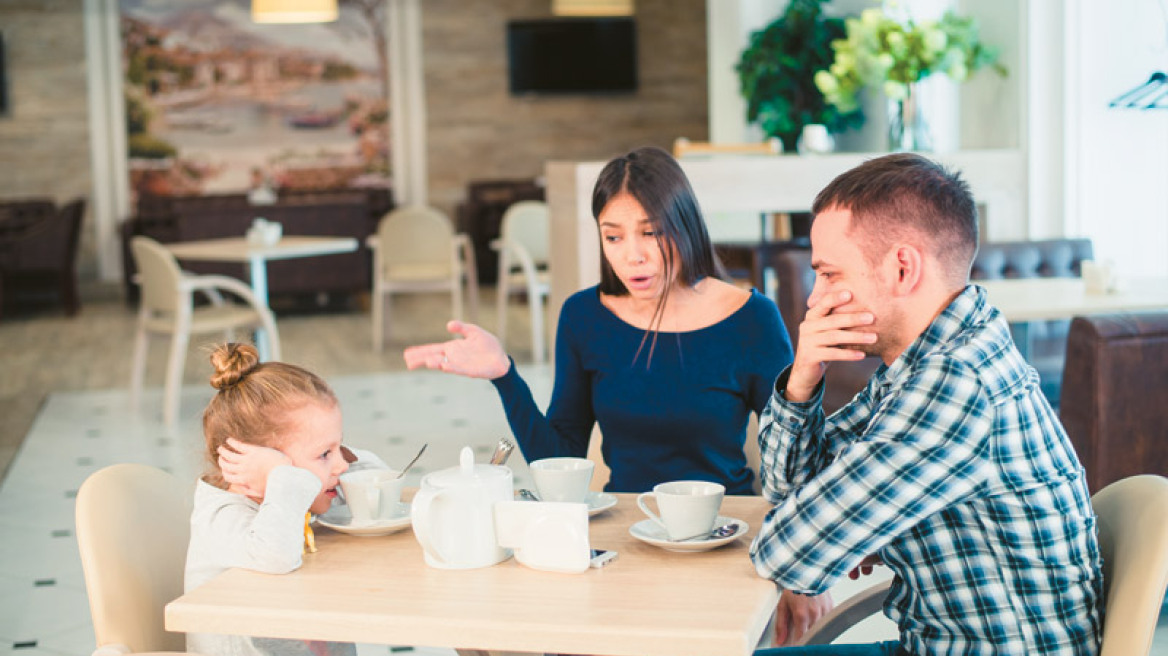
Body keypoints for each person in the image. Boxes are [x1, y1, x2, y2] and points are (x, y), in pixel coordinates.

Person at [405, 146, 826, 645]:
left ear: (685, 225)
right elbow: (561, 457)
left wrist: (806, 569)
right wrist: (504, 375)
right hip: (623, 545)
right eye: (613, 236)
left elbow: (799, 455)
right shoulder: (585, 317)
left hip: (725, 543)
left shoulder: (750, 318)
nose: (633, 254)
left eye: (651, 232)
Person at [750, 153, 1103, 655]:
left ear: (902, 267)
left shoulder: (958, 382)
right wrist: (802, 380)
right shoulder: (927, 360)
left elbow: (788, 550)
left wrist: (840, 527)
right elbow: (790, 489)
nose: (815, 300)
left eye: (828, 274)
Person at [185, 342, 384, 656]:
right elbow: (276, 556)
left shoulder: (293, 499)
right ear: (258, 464)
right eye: (324, 454)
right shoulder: (223, 518)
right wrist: (284, 477)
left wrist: (329, 462)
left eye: (339, 446)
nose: (342, 465)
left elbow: (376, 489)